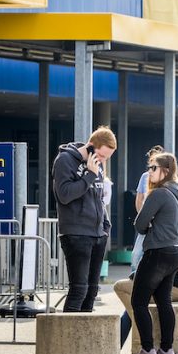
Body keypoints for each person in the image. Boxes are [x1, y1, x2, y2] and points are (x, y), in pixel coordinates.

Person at [116, 208, 178, 348]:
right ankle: (122, 345)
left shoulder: (174, 230)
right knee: (138, 298)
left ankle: (140, 346)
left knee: (125, 290)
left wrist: (138, 275)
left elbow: (160, 265)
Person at [126, 153, 178, 354]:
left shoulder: (159, 194)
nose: (149, 171)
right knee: (164, 301)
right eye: (149, 167)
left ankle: (147, 350)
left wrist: (150, 225)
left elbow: (139, 224)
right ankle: (167, 350)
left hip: (158, 252)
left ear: (165, 171)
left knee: (139, 301)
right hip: (176, 252)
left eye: (153, 168)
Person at [52, 126, 117, 313]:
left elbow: (98, 197)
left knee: (92, 290)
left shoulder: (97, 164)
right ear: (90, 147)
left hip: (97, 233)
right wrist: (89, 174)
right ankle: (68, 340)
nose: (103, 161)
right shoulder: (65, 160)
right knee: (79, 289)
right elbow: (64, 195)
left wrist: (105, 226)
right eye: (102, 156)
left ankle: (85, 340)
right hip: (76, 233)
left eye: (106, 158)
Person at [135, 145, 165, 213]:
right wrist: (142, 217)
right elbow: (139, 199)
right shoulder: (145, 176)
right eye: (151, 159)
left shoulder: (167, 177)